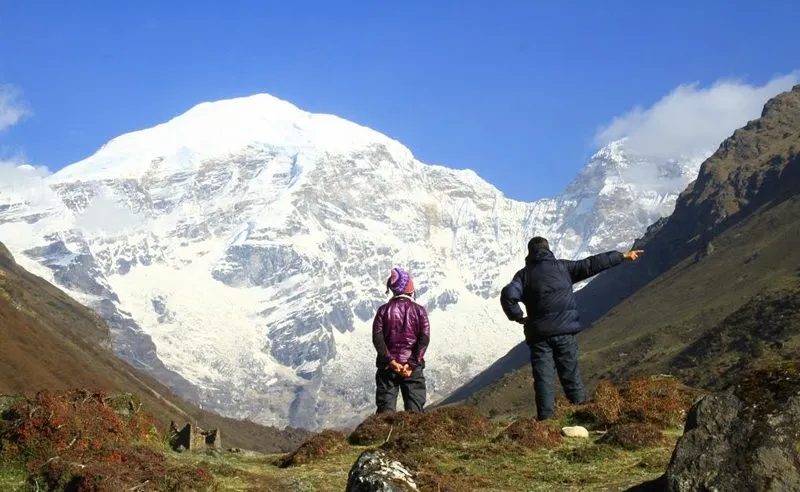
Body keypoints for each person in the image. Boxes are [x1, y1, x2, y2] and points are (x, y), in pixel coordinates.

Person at [500, 237, 643, 420]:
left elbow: (508, 295)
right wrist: (622, 256)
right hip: (564, 332)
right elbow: (593, 264)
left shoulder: (523, 276)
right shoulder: (564, 268)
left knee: (543, 378)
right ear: (548, 249)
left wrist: (518, 317)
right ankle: (582, 414)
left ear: (530, 253)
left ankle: (546, 420)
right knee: (571, 375)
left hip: (539, 336)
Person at [371, 266, 430, 413]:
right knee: (415, 413)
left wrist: (391, 361)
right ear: (408, 287)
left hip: (387, 368)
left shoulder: (383, 310)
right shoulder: (419, 310)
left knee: (385, 413)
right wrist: (412, 364)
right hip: (412, 368)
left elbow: (377, 338)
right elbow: (424, 338)